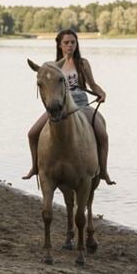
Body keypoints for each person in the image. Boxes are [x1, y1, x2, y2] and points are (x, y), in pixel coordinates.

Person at [22, 29, 114, 185]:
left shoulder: (82, 63)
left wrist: (101, 92)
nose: (70, 45)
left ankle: (103, 170)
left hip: (82, 106)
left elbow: (92, 84)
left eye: (73, 42)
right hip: (60, 107)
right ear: (59, 45)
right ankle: (35, 167)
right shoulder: (53, 66)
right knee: (32, 133)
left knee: (103, 135)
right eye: (66, 43)